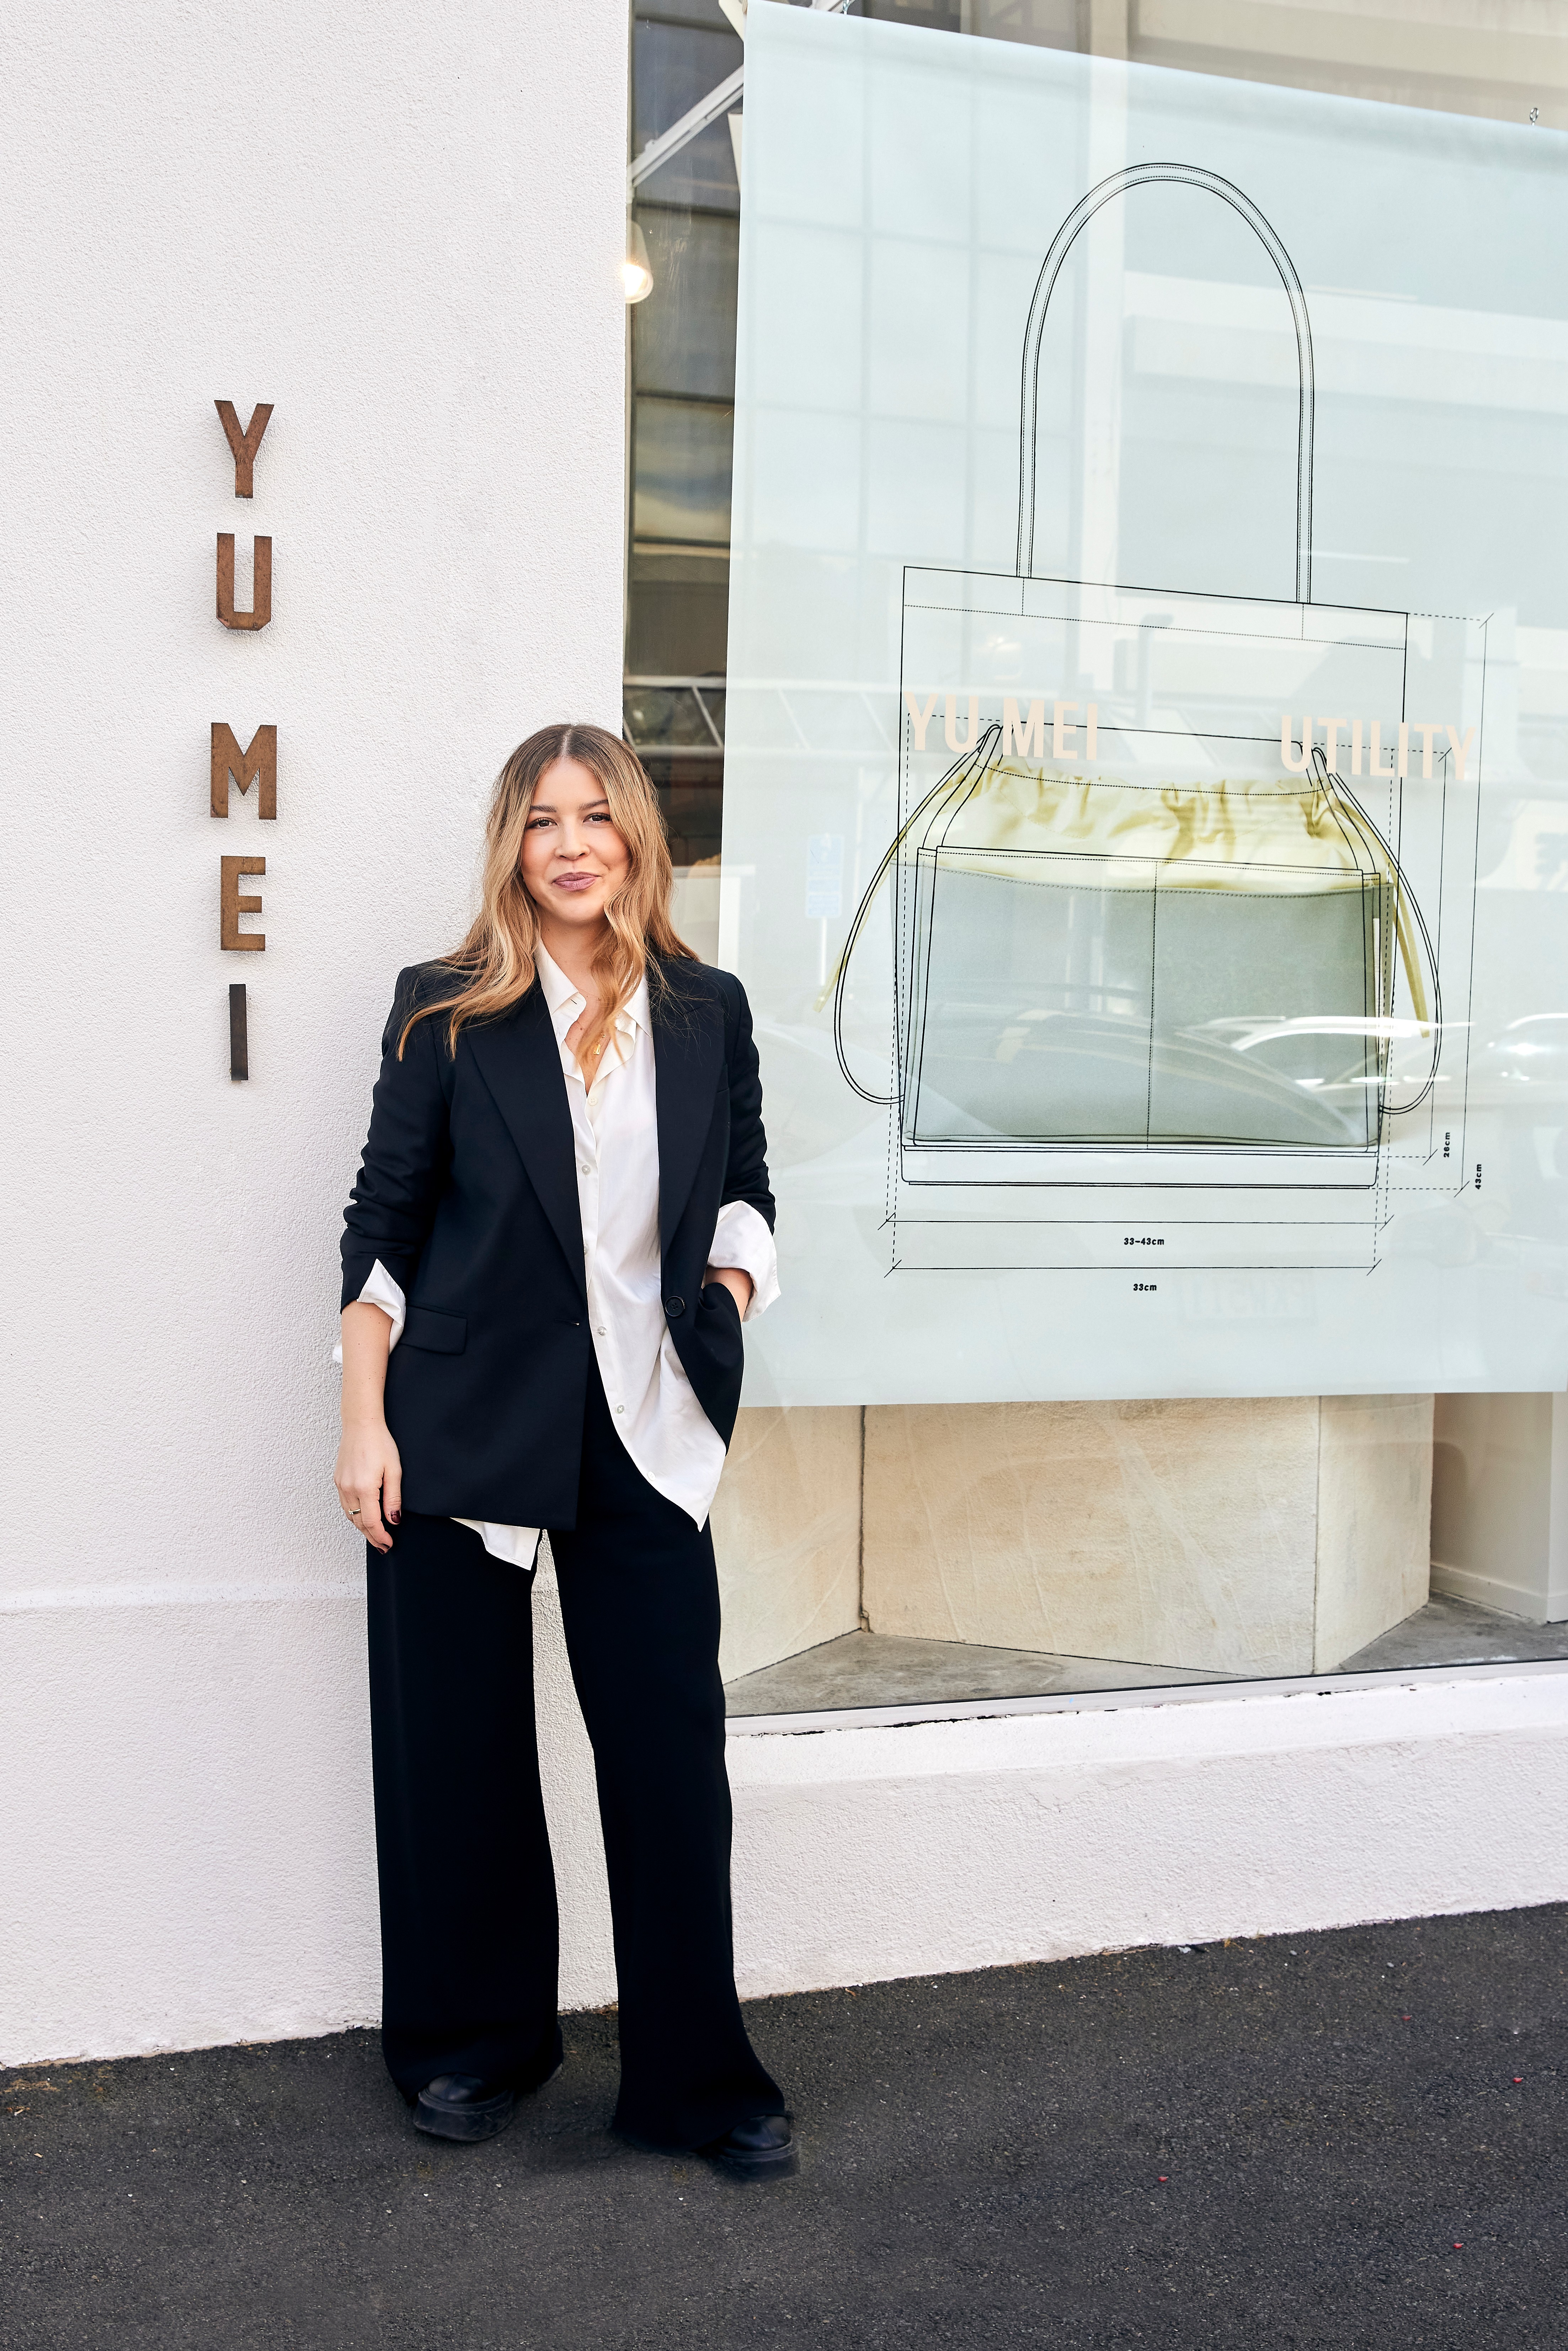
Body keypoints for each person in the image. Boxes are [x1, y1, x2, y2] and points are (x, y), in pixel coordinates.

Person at [333, 722, 794, 2181]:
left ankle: (692, 2083)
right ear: (511, 847)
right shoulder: (444, 1010)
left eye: (597, 816)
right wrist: (362, 1423)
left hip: (647, 1429)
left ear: (637, 839)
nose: (572, 843)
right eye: (543, 822)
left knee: (668, 1762)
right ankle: (474, 2049)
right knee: (454, 1756)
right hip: (458, 1433)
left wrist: (718, 1306)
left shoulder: (705, 1007)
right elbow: (380, 1229)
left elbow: (746, 1198)